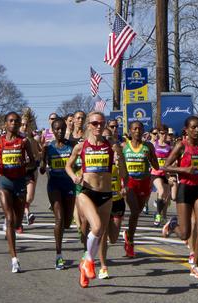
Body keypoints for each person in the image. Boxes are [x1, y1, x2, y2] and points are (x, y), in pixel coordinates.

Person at [65, 111, 126, 288]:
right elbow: (68, 166)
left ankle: (84, 266)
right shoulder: (81, 146)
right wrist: (73, 177)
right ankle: (89, 260)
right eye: (94, 123)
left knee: (100, 234)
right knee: (97, 227)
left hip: (106, 195)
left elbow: (122, 174)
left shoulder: (112, 146)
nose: (98, 127)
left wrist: (119, 158)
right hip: (86, 192)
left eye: (101, 123)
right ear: (88, 126)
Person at [162, 116, 198, 279]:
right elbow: (166, 167)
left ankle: (195, 265)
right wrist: (184, 170)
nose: (197, 130)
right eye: (193, 127)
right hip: (185, 188)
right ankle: (172, 225)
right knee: (185, 233)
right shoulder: (181, 145)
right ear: (186, 130)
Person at [0, 112, 34, 272]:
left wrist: (27, 162)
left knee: (17, 222)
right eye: (11, 121)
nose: (14, 123)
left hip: (20, 183)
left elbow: (33, 162)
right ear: (5, 124)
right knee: (9, 218)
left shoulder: (24, 141)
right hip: (5, 184)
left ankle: (11, 228)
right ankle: (14, 259)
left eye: (16, 121)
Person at [39, 117, 75, 270]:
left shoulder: (72, 146)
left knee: (66, 223)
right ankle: (59, 255)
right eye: (56, 129)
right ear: (52, 131)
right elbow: (41, 170)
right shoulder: (49, 147)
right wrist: (42, 157)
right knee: (59, 218)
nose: (59, 131)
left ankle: (60, 250)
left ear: (65, 128)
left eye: (62, 129)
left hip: (69, 185)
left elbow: (78, 165)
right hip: (54, 185)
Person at [122, 121, 159, 258]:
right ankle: (130, 242)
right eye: (134, 128)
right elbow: (120, 166)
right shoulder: (124, 146)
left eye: (140, 128)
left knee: (136, 214)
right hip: (130, 182)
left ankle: (128, 234)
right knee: (135, 210)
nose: (137, 131)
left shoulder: (148, 146)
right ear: (130, 131)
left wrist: (151, 158)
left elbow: (156, 167)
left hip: (144, 182)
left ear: (143, 130)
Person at [98, 127, 126, 279]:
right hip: (102, 199)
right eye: (104, 138)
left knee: (113, 239)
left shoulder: (117, 153)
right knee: (102, 233)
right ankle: (103, 266)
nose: (107, 140)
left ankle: (123, 234)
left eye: (109, 138)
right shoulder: (97, 154)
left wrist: (119, 160)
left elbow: (124, 176)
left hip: (117, 200)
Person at [19, 111, 41, 227]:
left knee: (29, 197)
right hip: (18, 171)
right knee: (19, 196)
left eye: (26, 125)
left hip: (31, 170)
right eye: (22, 124)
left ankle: (24, 211)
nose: (24, 127)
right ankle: (26, 214)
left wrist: (40, 158)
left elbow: (38, 154)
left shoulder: (33, 139)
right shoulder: (16, 139)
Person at [150, 124, 175, 227]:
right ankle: (158, 214)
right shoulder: (153, 145)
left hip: (165, 174)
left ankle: (162, 215)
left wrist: (170, 175)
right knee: (161, 191)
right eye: (162, 133)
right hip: (155, 173)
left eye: (166, 133)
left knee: (165, 198)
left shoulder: (169, 147)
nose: (164, 136)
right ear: (159, 134)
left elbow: (171, 162)